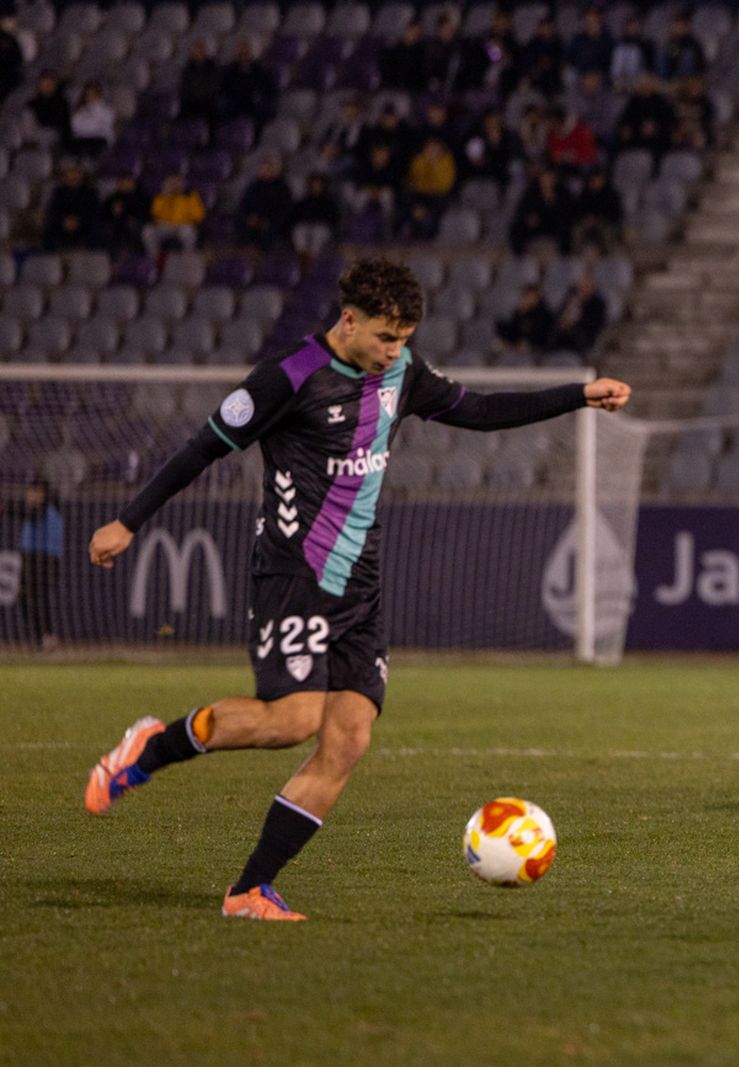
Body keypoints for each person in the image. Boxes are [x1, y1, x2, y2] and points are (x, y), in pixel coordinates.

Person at [82, 259, 633, 921]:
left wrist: (578, 394)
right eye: (384, 337)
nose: (394, 351)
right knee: (290, 721)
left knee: (347, 739)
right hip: (294, 575)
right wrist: (128, 520)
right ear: (349, 320)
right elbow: (204, 446)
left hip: (361, 586)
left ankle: (250, 889)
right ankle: (151, 746)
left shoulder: (403, 373)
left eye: (403, 338)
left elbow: (482, 411)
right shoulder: (288, 377)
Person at [18, 478, 64, 651]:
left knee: (39, 597)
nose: (30, 495)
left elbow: (30, 515)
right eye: (29, 491)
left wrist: (6, 508)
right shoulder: (33, 509)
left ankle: (47, 637)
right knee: (25, 597)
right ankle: (41, 639)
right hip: (29, 556)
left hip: (45, 558)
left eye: (34, 491)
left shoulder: (47, 509)